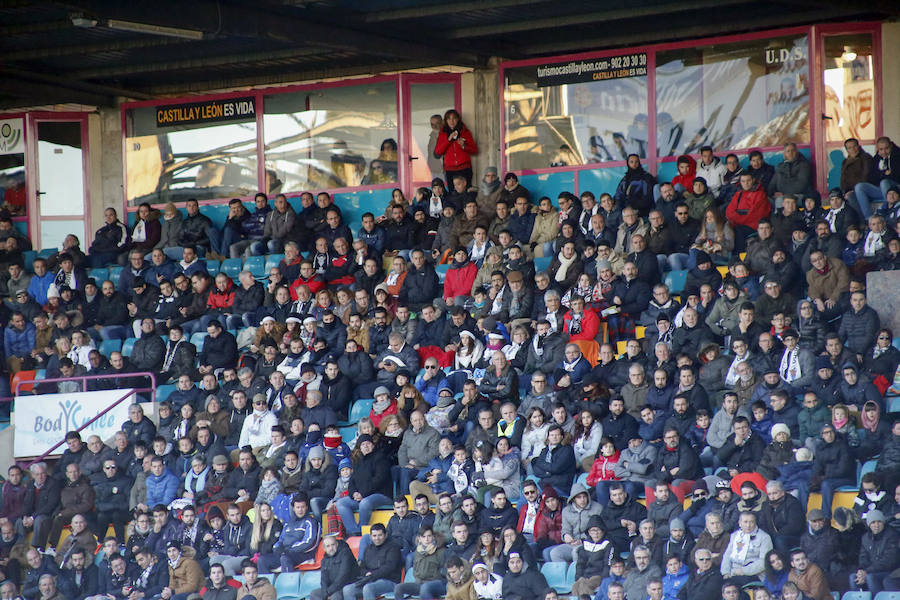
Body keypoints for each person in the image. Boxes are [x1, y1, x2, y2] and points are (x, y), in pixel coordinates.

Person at [434, 110, 478, 187]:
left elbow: (475, 150)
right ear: (446, 121)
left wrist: (464, 146)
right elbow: (438, 152)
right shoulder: (443, 134)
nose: (451, 121)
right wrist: (448, 140)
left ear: (458, 119)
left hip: (464, 168)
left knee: (466, 192)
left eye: (454, 118)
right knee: (452, 194)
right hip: (450, 169)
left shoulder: (465, 132)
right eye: (449, 119)